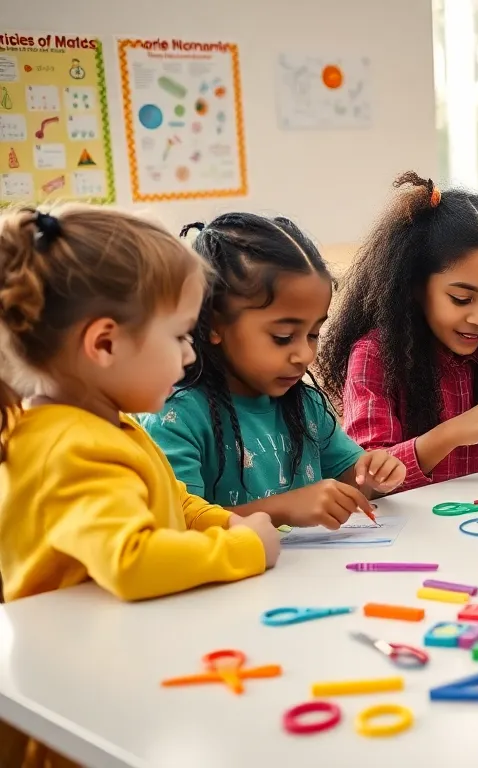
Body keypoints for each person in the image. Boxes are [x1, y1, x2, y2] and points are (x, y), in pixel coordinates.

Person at [0, 205, 281, 768]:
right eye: (179, 336)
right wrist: (247, 547)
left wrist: (217, 519)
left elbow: (168, 498)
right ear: (104, 344)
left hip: (111, 671)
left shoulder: (106, 421)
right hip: (73, 715)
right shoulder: (70, 448)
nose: (191, 354)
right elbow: (132, 559)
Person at [316, 173, 478, 489]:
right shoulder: (375, 355)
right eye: (461, 298)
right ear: (414, 286)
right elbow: (368, 478)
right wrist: (454, 432)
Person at [141, 213, 405, 530]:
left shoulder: (305, 405)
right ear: (214, 324)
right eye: (282, 337)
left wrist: (375, 473)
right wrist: (282, 509)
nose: (305, 354)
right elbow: (178, 524)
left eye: (313, 334)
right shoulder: (177, 417)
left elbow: (354, 476)